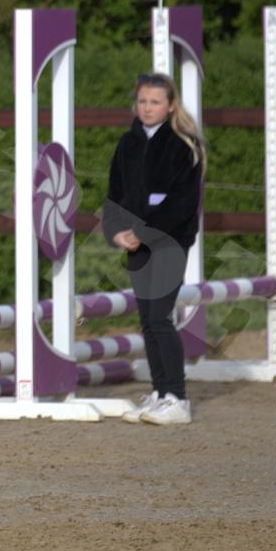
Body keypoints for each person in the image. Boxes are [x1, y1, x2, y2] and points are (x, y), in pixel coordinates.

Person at [103, 72, 205, 425]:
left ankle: (178, 397)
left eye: (155, 102)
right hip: (135, 243)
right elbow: (114, 194)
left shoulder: (183, 146)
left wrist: (143, 232)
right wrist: (116, 232)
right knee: (147, 320)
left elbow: (182, 204)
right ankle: (160, 392)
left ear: (171, 105)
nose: (147, 108)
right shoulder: (126, 144)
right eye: (143, 101)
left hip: (170, 242)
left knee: (161, 317)